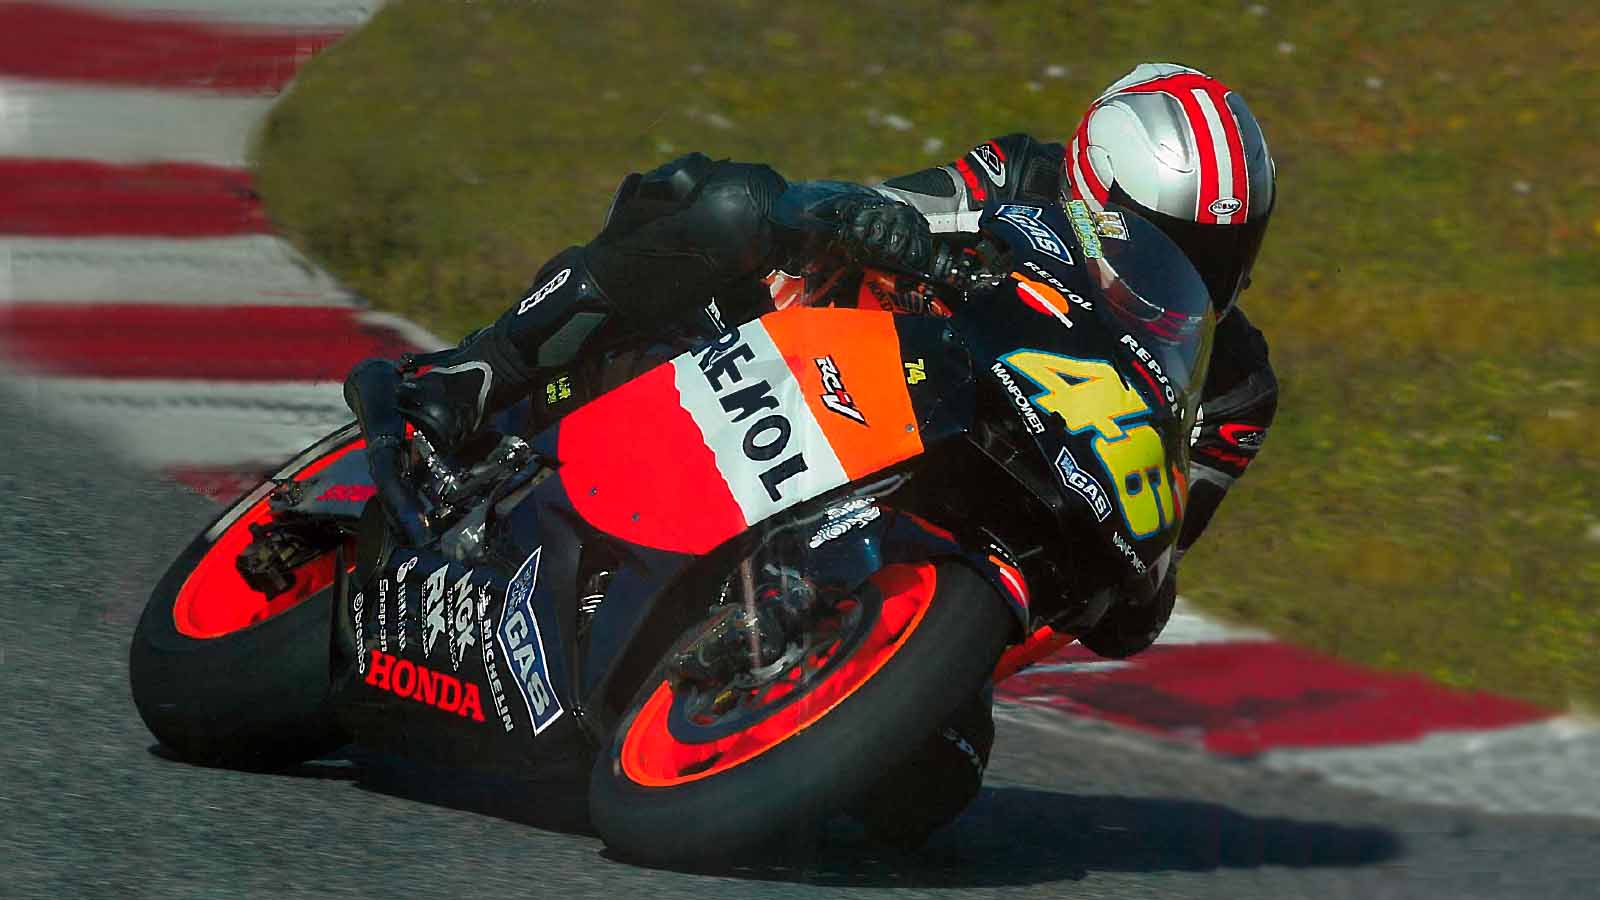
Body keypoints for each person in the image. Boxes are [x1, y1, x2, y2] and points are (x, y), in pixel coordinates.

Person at [376, 61, 1278, 845]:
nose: (1195, 272)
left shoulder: (1235, 391)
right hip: (827, 374)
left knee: (931, 787)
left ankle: (753, 677)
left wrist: (990, 645)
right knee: (732, 204)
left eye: (1220, 252)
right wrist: (887, 227)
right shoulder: (1018, 177)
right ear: (1094, 189)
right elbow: (853, 209)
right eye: (1173, 241)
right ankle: (480, 371)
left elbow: (1146, 569)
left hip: (971, 524)